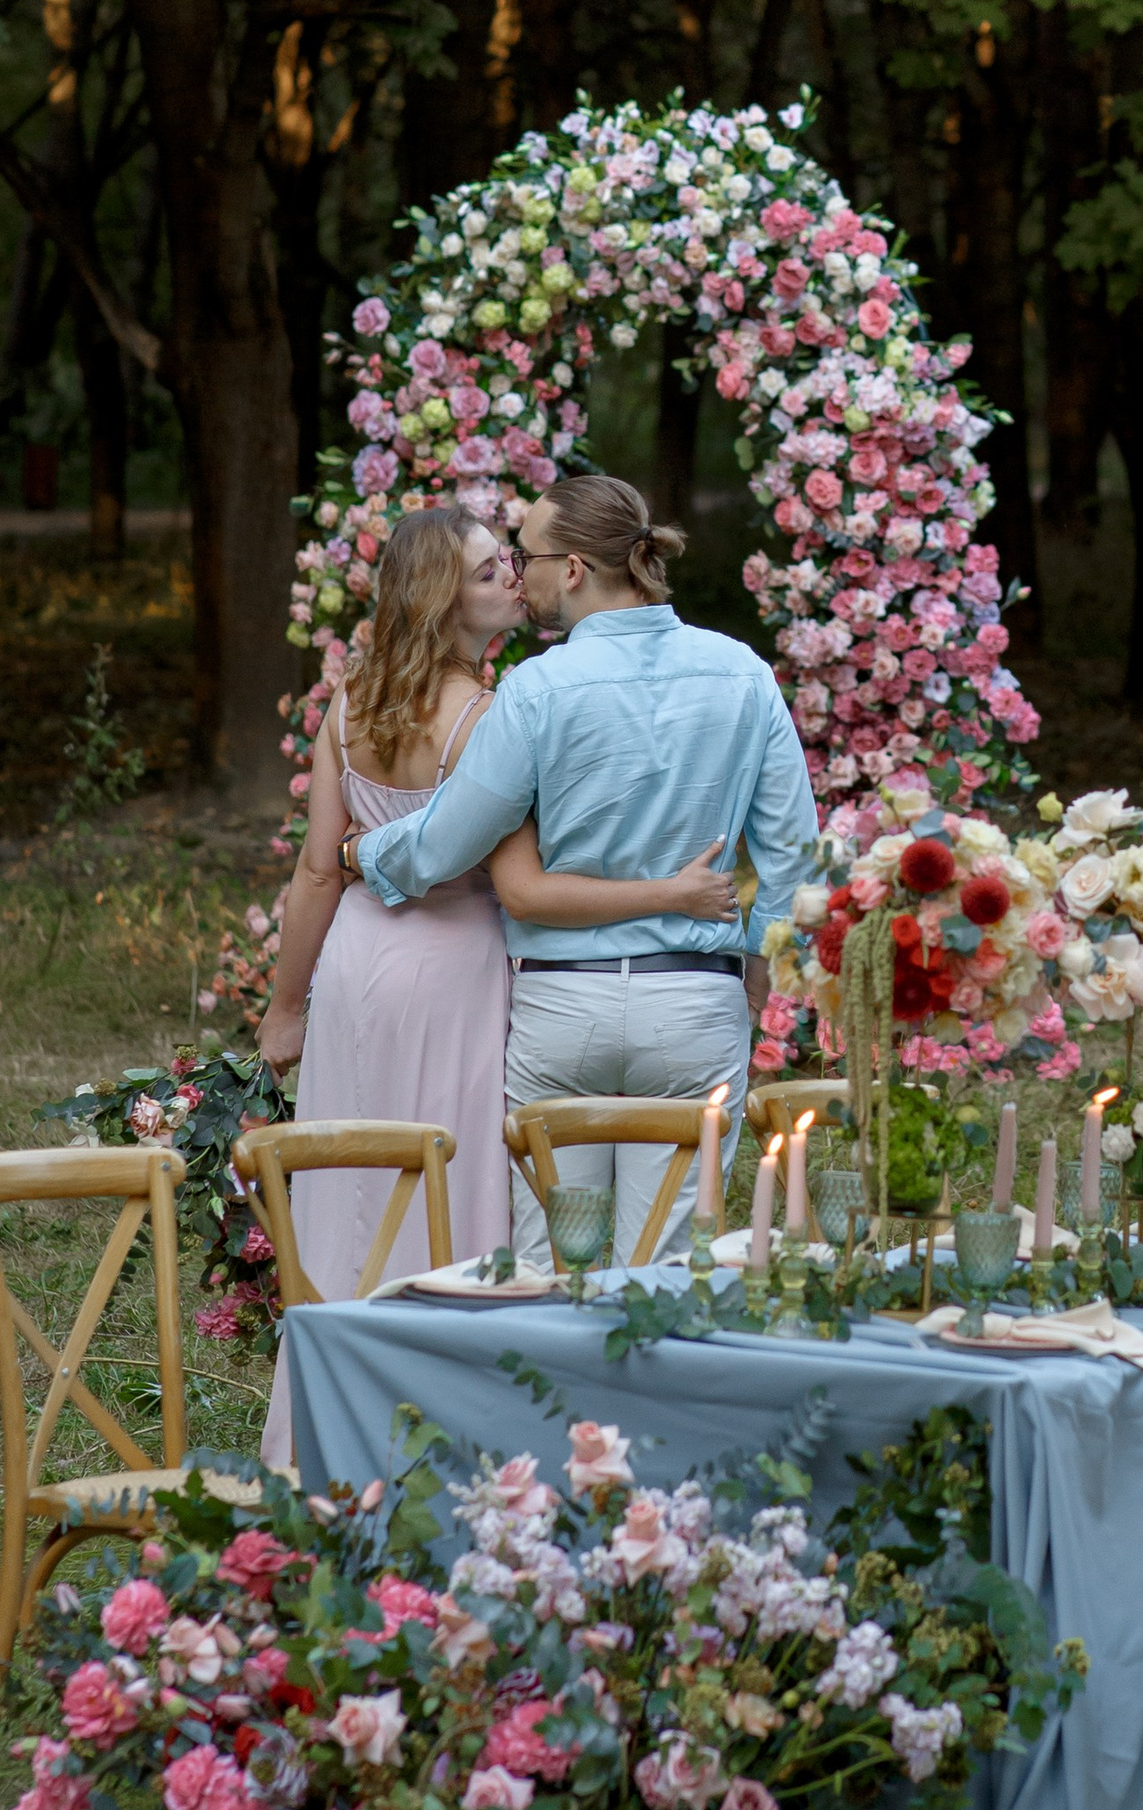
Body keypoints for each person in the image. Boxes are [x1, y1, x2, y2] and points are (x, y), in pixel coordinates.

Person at [256, 501, 738, 1458]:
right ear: (443, 603)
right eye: (487, 573)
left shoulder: (348, 707)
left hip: (355, 967)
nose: (512, 580)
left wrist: (284, 1006)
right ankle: (445, 1436)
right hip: (456, 973)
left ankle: (327, 1433)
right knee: (457, 1191)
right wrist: (673, 887)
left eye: (507, 564)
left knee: (352, 1188)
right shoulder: (486, 716)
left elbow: (318, 868)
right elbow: (517, 878)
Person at [348, 469, 818, 1268]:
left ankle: (560, 1395)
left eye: (525, 554)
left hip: (563, 1008)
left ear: (571, 569)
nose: (517, 576)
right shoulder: (744, 674)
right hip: (694, 1000)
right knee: (666, 1271)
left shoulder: (536, 689)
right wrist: (760, 976)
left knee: (546, 1269)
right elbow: (792, 854)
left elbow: (450, 840)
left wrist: (363, 851)